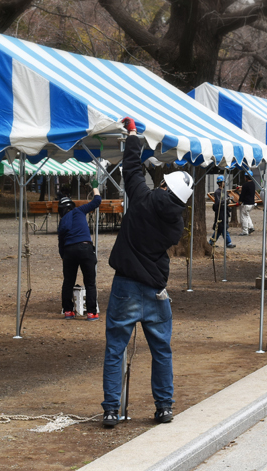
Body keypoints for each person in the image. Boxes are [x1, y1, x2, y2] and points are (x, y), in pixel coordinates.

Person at [101, 117, 193, 428]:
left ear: (165, 186)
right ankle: (164, 407)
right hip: (155, 289)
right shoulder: (176, 224)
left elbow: (132, 170)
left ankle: (112, 409)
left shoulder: (142, 199)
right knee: (161, 352)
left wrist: (133, 137)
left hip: (126, 285)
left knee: (116, 348)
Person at [58, 184, 101, 320]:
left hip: (69, 251)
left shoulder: (62, 222)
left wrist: (64, 257)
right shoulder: (79, 211)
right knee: (89, 282)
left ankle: (68, 311)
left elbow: (61, 243)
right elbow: (97, 201)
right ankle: (91, 312)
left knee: (68, 282)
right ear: (72, 205)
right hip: (85, 248)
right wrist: (95, 187)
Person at [210, 175, 236, 248]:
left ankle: (211, 242)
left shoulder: (224, 191)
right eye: (223, 182)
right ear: (220, 183)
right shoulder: (217, 192)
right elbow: (218, 202)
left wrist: (229, 200)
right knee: (223, 227)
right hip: (220, 212)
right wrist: (225, 201)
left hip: (225, 211)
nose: (224, 183)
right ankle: (228, 242)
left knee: (219, 229)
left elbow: (227, 199)